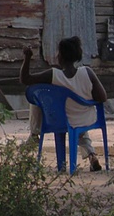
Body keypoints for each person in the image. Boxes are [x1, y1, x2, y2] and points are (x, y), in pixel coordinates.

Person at [20, 36, 107, 171]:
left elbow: (26, 79)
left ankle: (34, 134)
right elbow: (102, 97)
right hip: (83, 119)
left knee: (37, 99)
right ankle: (91, 154)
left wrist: (27, 58)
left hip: (57, 121)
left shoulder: (53, 75)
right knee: (78, 125)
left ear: (60, 56)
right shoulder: (87, 72)